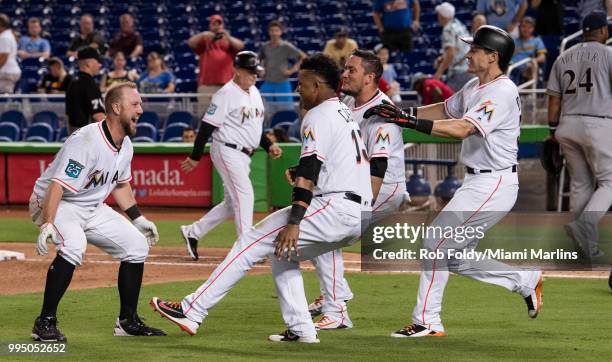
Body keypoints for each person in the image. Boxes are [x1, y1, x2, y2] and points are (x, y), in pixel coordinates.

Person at [150, 53, 372, 343]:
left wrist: (295, 221)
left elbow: (308, 173)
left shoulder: (317, 115)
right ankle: (301, 328)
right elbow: (328, 164)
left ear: (317, 85)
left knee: (250, 240)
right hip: (358, 212)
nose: (297, 90)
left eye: (302, 83)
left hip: (335, 207)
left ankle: (192, 309)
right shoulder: (342, 111)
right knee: (282, 253)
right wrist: (304, 172)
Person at [366, 25, 542, 337]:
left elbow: (461, 128)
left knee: (435, 243)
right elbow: (444, 110)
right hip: (478, 182)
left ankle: (427, 321)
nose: (468, 53)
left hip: (495, 184)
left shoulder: (502, 91)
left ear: (492, 56)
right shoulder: (476, 85)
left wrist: (409, 122)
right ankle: (524, 279)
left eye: (475, 49)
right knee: (454, 256)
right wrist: (400, 112)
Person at [29, 82, 166, 342]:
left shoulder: (125, 145)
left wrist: (138, 218)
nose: (141, 109)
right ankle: (44, 322)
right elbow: (57, 185)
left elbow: (121, 185)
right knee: (73, 245)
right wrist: (47, 222)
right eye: (135, 104)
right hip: (54, 202)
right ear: (116, 107)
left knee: (136, 246)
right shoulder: (87, 140)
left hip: (90, 207)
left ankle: (128, 321)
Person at [306, 50, 406, 330]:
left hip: (382, 187)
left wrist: (355, 208)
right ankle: (336, 296)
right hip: (359, 183)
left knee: (326, 229)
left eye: (351, 69)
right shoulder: (348, 103)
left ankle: (336, 307)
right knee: (322, 230)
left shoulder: (381, 112)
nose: (344, 73)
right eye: (345, 68)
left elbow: (378, 167)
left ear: (370, 77)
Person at [177, 51, 282, 261]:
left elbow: (254, 128)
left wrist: (269, 145)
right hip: (227, 149)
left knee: (231, 204)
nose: (254, 75)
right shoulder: (225, 94)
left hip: (245, 154)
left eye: (256, 71)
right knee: (245, 196)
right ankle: (246, 248)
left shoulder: (254, 92)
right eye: (250, 71)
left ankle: (193, 232)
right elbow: (206, 127)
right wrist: (196, 156)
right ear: (237, 70)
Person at [547, 11, 612, 260]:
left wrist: (552, 132)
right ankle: (585, 225)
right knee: (609, 182)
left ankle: (586, 246)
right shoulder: (608, 54)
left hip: (568, 125)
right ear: (603, 31)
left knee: (581, 184)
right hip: (598, 124)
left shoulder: (564, 56)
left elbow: (553, 99)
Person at [188, 14, 244, 117]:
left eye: (219, 24)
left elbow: (240, 46)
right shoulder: (205, 40)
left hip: (226, 83)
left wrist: (228, 37)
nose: (217, 26)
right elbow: (191, 43)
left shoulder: (228, 40)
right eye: (214, 24)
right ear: (210, 25)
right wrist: (203, 34)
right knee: (206, 115)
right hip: (206, 84)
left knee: (228, 114)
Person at [259, 21, 306, 107]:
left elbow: (303, 57)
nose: (274, 33)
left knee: (287, 111)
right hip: (267, 83)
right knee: (262, 109)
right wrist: (262, 69)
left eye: (276, 30)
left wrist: (292, 70)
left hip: (282, 83)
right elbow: (259, 60)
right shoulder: (264, 46)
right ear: (269, 32)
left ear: (281, 32)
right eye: (272, 30)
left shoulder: (286, 46)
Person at [432, 2, 474, 91]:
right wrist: (443, 58)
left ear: (442, 16)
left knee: (450, 102)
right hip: (470, 68)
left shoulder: (447, 29)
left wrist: (438, 73)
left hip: (459, 73)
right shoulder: (459, 24)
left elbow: (451, 54)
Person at [65, 47, 105, 134]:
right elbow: (98, 116)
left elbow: (68, 115)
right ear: (89, 64)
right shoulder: (90, 84)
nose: (100, 65)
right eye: (98, 61)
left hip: (74, 135)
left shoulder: (72, 83)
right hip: (87, 136)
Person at [510, 16, 546, 83]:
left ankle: (532, 92)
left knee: (533, 65)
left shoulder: (537, 41)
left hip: (527, 67)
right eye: (524, 26)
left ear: (533, 29)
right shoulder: (513, 41)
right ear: (519, 27)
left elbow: (542, 57)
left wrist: (534, 60)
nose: (526, 29)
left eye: (529, 27)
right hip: (512, 67)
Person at [0, 13, 21, 94]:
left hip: (7, 72)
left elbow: (4, 57)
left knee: (5, 98)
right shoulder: (8, 35)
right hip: (8, 71)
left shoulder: (4, 37)